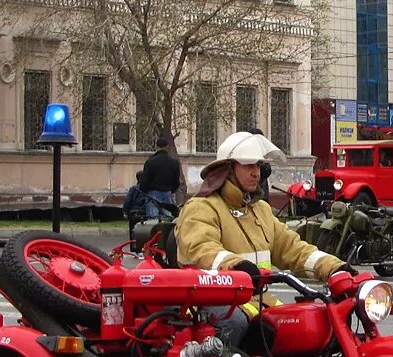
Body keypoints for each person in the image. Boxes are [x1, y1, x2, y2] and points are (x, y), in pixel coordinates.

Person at [176, 131, 350, 345]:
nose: (256, 173)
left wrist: (335, 268)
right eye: (249, 166)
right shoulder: (201, 207)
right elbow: (201, 248)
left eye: (258, 166)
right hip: (217, 303)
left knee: (308, 325)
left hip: (260, 302)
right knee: (237, 324)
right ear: (228, 169)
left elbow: (292, 248)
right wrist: (236, 266)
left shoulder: (260, 210)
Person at [138, 135, 181, 218]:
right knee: (168, 219)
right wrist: (170, 190)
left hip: (152, 194)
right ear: (167, 147)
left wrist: (145, 191)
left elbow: (144, 180)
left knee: (152, 221)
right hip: (167, 194)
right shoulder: (174, 163)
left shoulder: (150, 162)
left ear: (156, 147)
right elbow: (176, 182)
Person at [248, 128, 273, 198]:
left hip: (262, 194)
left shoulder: (262, 153)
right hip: (251, 194)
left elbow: (267, 171)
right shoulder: (246, 154)